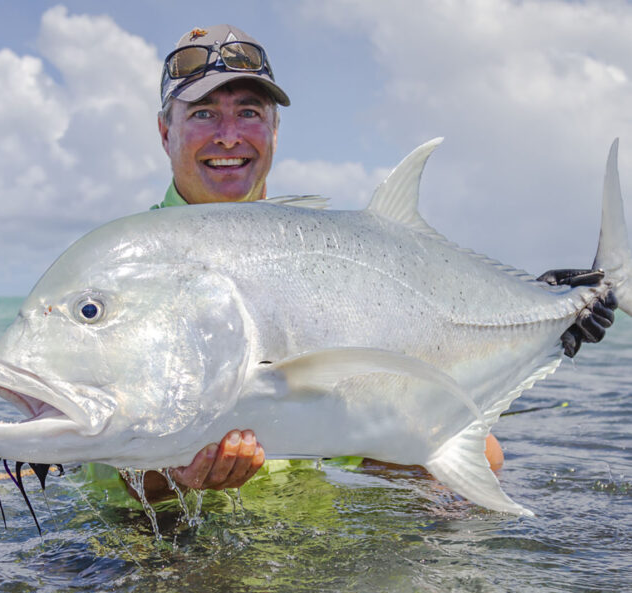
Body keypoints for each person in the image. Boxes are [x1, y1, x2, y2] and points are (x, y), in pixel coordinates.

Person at [128, 24, 617, 503]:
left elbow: (373, 429)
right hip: (161, 560)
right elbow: (91, 454)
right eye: (204, 113)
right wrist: (170, 475)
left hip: (312, 553)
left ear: (274, 129)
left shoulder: (319, 257)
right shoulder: (129, 272)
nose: (230, 136)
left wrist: (544, 315)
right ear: (164, 130)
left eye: (249, 112)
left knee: (481, 463)